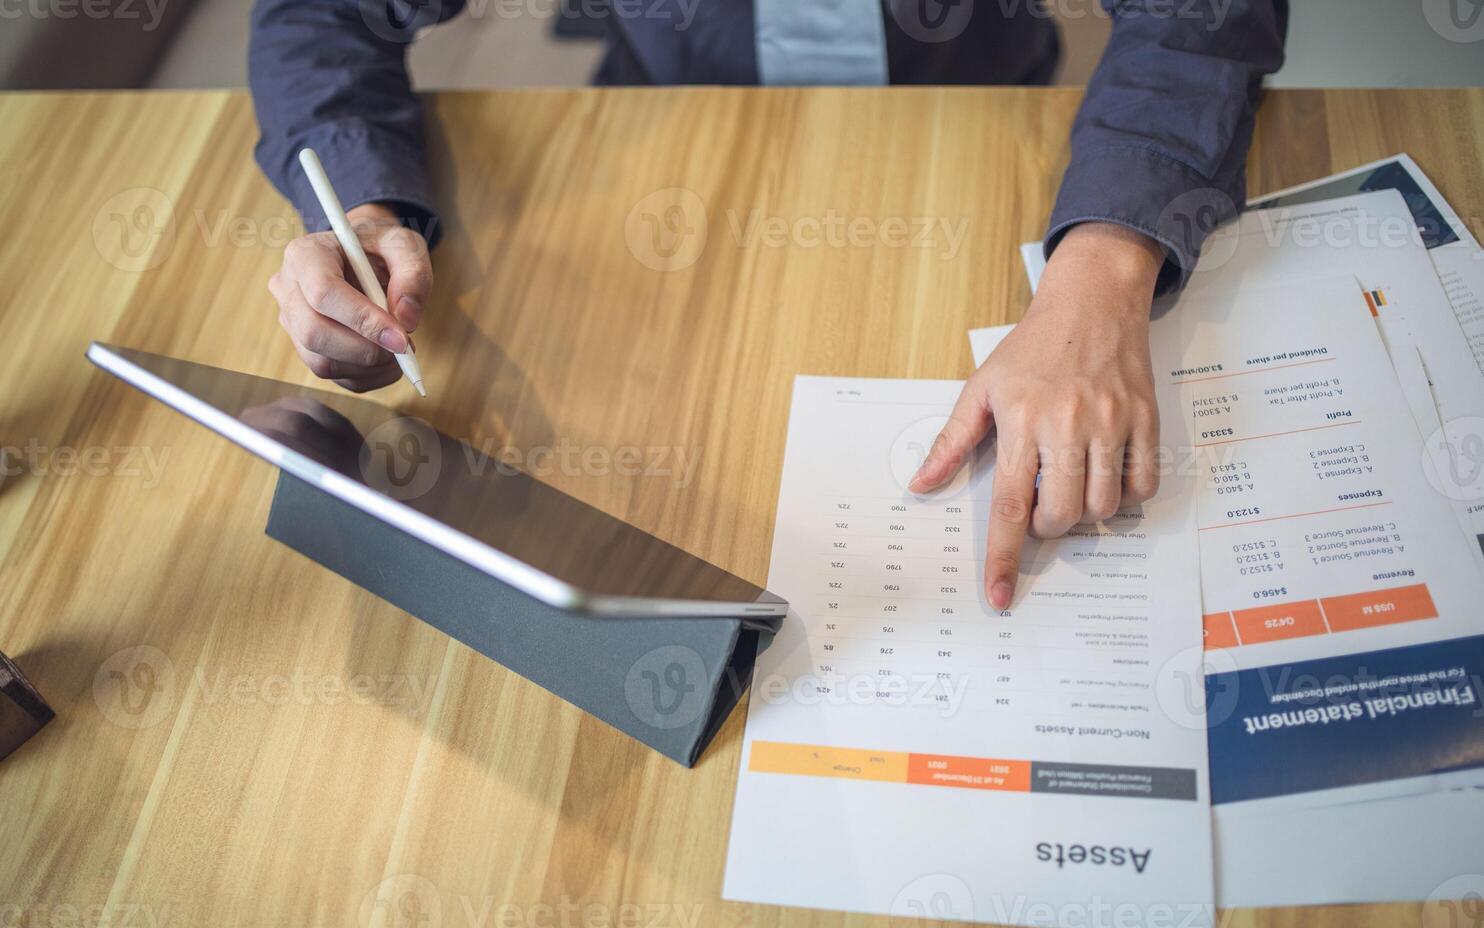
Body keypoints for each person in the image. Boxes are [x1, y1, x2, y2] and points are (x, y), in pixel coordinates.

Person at [249, 0, 1288, 609]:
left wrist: (1104, 265)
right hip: (678, 138)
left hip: (980, 112)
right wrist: (367, 210)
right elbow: (318, 15)